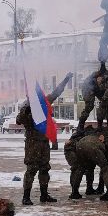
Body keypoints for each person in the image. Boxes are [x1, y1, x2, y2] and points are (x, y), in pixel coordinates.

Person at [16, 73, 73, 205]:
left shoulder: (44, 103)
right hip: (32, 143)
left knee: (44, 168)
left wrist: (65, 80)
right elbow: (19, 120)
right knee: (31, 169)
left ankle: (44, 194)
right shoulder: (26, 106)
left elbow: (56, 93)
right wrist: (27, 110)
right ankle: (26, 196)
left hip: (43, 142)